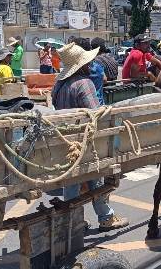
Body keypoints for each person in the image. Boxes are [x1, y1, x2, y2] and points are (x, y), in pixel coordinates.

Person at [51, 43, 129, 232]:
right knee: (97, 178)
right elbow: (96, 113)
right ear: (82, 65)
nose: (90, 64)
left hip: (66, 141)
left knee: (72, 182)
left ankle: (74, 221)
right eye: (87, 62)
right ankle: (106, 217)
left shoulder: (59, 85)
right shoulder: (84, 84)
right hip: (84, 141)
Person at [73, 38, 106, 105]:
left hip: (86, 107)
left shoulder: (76, 72)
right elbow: (105, 79)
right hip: (99, 103)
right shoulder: (98, 67)